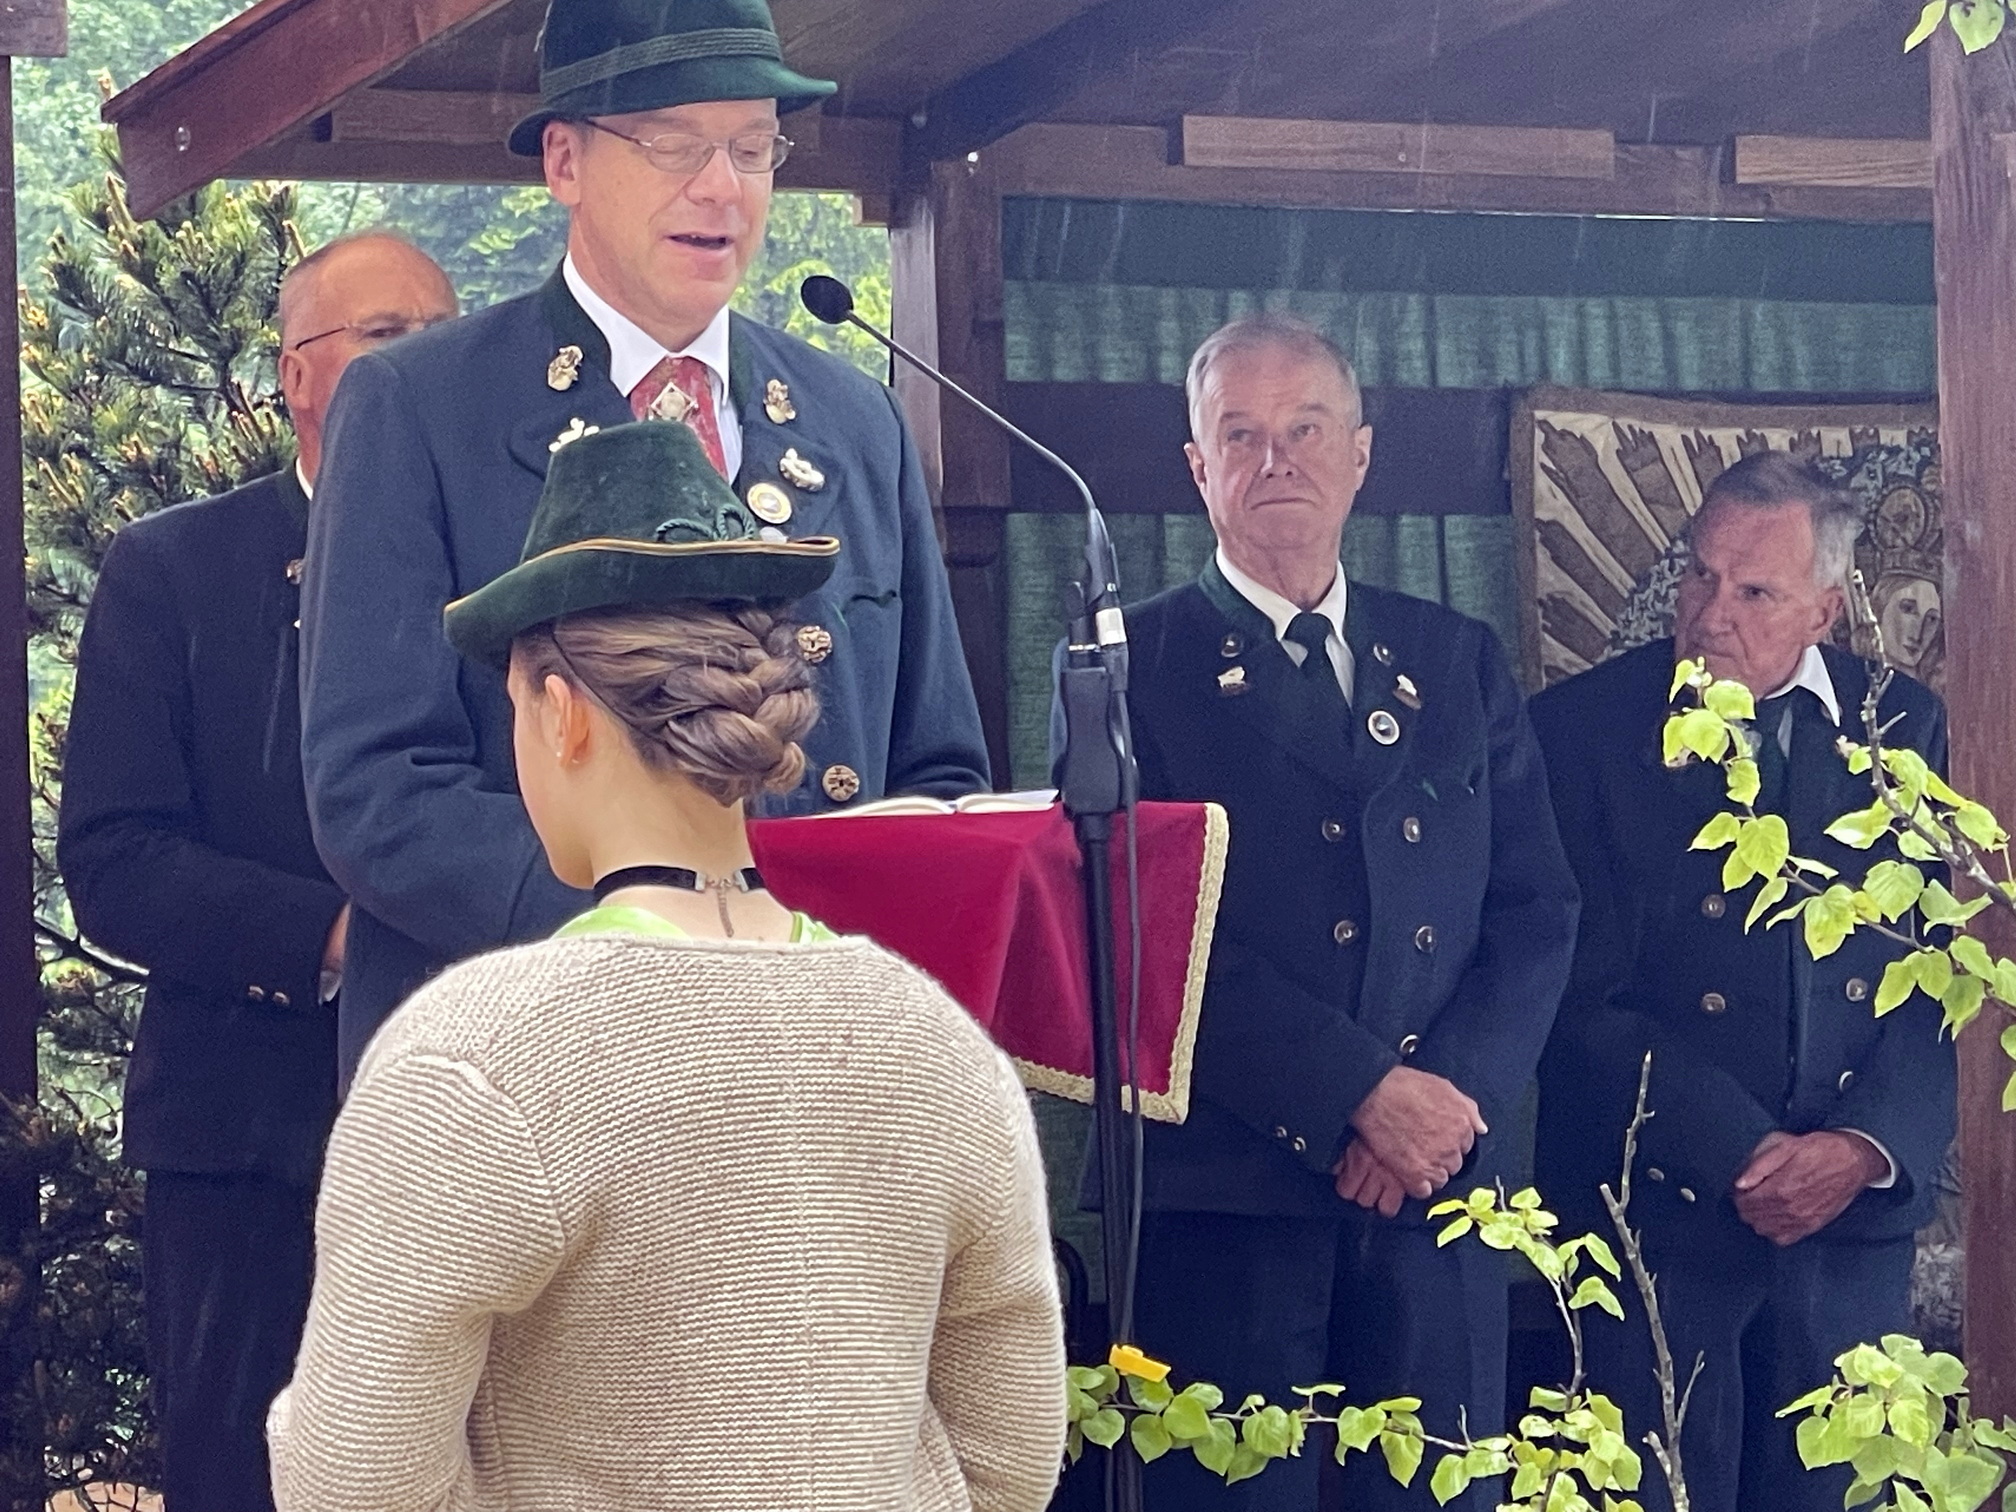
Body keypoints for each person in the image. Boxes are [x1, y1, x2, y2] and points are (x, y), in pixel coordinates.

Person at [267, 420, 1063, 1512]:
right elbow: (1009, 1456)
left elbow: (352, 1477)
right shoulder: (935, 1044)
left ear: (559, 715)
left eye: (513, 705)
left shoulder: (475, 1062)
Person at [299, 0, 989, 1081]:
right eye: (674, 144)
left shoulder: (856, 418)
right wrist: (660, 935)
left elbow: (938, 766)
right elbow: (375, 788)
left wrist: (812, 964)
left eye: (753, 148)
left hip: (813, 1050)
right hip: (531, 1048)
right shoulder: (418, 406)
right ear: (564, 161)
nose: (722, 187)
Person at [1087, 313, 1578, 1511]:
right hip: (1229, 1201)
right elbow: (1135, 930)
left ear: (1360, 454)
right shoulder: (1125, 668)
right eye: (1241, 435)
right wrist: (1358, 1092)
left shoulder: (1454, 660)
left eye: (1306, 430)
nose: (1277, 461)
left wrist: (1439, 1107)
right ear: (1198, 466)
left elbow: (1535, 910)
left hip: (1434, 1195)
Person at [55, 231, 457, 1511]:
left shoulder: (514, 566)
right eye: (387, 338)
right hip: (248, 1134)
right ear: (295, 375)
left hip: (480, 1117)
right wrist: (342, 938)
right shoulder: (178, 568)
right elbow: (115, 858)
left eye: (445, 337)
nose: (426, 364)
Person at [1531, 452, 1954, 1512]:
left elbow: (1947, 981)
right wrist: (1741, 1152)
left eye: (1755, 592)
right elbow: (1569, 995)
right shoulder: (1581, 732)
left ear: (1824, 609)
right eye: (1700, 575)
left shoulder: (1905, 728)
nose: (1711, 614)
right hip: (1660, 1222)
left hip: (1847, 1237)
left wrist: (1865, 1148)